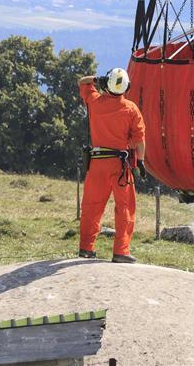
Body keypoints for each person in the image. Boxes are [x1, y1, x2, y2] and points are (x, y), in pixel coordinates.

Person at [77, 68, 147, 263]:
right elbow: (140, 140)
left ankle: (86, 248)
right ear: (127, 88)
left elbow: (83, 82)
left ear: (106, 83)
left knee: (91, 207)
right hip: (120, 166)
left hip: (97, 163)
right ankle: (121, 251)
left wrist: (97, 78)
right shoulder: (131, 109)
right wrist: (140, 162)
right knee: (125, 207)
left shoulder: (94, 102)